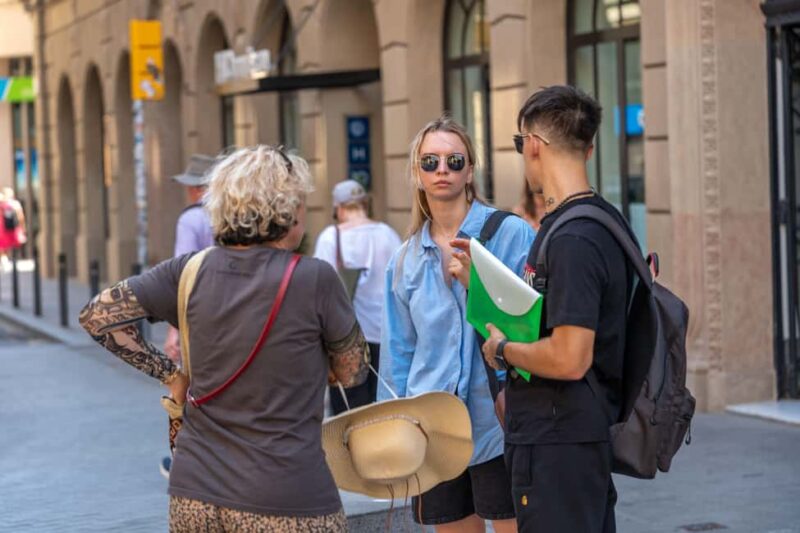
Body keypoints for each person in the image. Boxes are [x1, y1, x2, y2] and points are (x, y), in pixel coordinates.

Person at [79, 145, 369, 532]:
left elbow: (97, 316)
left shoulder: (188, 270)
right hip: (286, 497)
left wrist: (172, 376)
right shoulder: (314, 278)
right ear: (287, 210)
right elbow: (354, 371)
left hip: (195, 495)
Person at [480, 85, 633, 532]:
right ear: (590, 149)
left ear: (533, 144)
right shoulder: (602, 220)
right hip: (574, 438)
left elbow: (570, 357)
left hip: (558, 444)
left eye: (519, 143)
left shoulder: (572, 239)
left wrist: (502, 350)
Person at [380, 115, 534, 533]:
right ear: (417, 173)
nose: (442, 170)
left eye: (454, 160)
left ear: (470, 171)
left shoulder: (510, 235)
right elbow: (398, 354)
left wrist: (477, 287)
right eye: (430, 162)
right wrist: (394, 428)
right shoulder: (405, 260)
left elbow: (532, 326)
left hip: (497, 422)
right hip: (432, 429)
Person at [313, 179, 401, 414]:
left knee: (349, 416)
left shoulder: (330, 238)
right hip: (386, 336)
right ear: (365, 204)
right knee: (383, 411)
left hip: (346, 341)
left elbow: (319, 293)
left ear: (338, 208)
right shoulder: (388, 234)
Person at [159, 154, 217, 478]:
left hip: (198, 318)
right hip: (237, 316)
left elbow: (181, 277)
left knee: (190, 391)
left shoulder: (191, 219)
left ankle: (187, 460)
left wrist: (174, 329)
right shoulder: (235, 213)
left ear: (197, 188)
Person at [0, 187, 27, 261]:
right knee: (15, 246)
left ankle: (4, 260)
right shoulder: (15, 204)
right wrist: (23, 227)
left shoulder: (1, 203)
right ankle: (15, 259)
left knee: (3, 247)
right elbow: (21, 217)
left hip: (3, 229)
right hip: (15, 229)